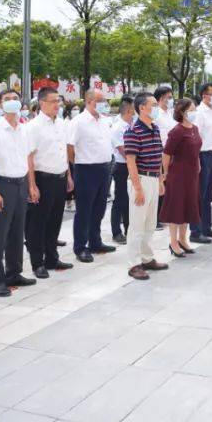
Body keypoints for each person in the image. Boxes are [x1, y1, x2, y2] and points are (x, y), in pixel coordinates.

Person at [0, 89, 37, 297]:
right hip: (2, 184)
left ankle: (14, 272)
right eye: (7, 99)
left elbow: (28, 159)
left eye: (15, 99)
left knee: (17, 232)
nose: (12, 102)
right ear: (0, 104)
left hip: (21, 183)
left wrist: (31, 185)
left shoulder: (24, 129)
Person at [25, 86, 74, 278]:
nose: (57, 105)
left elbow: (63, 152)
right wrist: (31, 185)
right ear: (42, 103)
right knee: (38, 223)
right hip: (42, 178)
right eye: (53, 101)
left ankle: (52, 258)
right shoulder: (33, 127)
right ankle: (37, 263)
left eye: (58, 101)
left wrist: (69, 176)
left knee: (55, 220)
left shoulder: (61, 124)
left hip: (60, 177)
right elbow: (29, 157)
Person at [123, 92, 169, 280]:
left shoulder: (155, 128)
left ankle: (147, 257)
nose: (157, 108)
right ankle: (134, 264)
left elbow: (158, 156)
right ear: (142, 108)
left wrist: (160, 180)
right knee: (136, 225)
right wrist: (138, 188)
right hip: (140, 180)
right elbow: (130, 161)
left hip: (152, 179)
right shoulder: (133, 131)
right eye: (153, 105)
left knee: (150, 223)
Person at [67, 88, 115, 262]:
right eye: (99, 101)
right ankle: (80, 246)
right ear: (88, 101)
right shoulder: (78, 122)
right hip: (85, 169)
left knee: (99, 208)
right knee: (84, 210)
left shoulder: (105, 121)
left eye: (105, 101)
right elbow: (70, 148)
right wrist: (77, 165)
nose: (104, 104)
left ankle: (96, 241)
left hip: (104, 168)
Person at [160, 99, 201, 258]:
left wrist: (198, 164)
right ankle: (173, 241)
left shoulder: (195, 129)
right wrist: (165, 173)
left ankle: (183, 239)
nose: (194, 112)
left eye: (194, 109)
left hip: (192, 173)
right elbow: (167, 153)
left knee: (189, 205)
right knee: (176, 207)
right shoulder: (176, 131)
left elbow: (196, 150)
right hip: (178, 174)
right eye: (191, 109)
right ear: (182, 112)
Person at [190, 83, 212, 245]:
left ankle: (206, 227)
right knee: (199, 195)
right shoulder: (199, 113)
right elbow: (195, 137)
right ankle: (195, 231)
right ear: (205, 96)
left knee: (208, 195)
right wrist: (196, 159)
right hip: (201, 156)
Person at [109, 99, 136, 245]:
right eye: (133, 109)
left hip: (132, 165)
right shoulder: (118, 127)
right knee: (120, 200)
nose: (135, 112)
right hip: (121, 166)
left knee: (129, 200)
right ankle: (116, 232)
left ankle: (128, 229)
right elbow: (122, 149)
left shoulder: (131, 125)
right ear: (128, 111)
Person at [152, 86, 176, 231]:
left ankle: (163, 215)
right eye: (169, 97)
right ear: (161, 98)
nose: (171, 100)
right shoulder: (156, 115)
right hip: (160, 154)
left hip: (172, 154)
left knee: (167, 186)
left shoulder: (170, 114)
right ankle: (155, 219)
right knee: (159, 186)